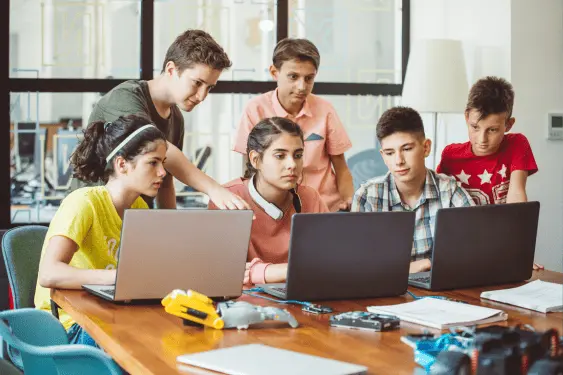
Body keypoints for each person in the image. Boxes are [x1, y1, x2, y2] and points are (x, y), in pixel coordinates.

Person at [35, 115, 167, 345]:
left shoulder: (139, 207)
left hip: (109, 314)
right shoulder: (84, 203)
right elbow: (49, 273)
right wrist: (115, 278)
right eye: (153, 162)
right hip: (69, 325)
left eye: (163, 162)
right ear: (122, 164)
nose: (163, 172)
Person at [89, 29, 248, 211]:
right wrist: (214, 189)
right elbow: (163, 151)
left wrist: (171, 225)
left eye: (209, 88)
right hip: (95, 216)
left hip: (135, 219)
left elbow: (166, 177)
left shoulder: (176, 118)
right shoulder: (125, 98)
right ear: (171, 69)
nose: (202, 96)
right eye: (197, 83)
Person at [232, 38, 353, 212]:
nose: (301, 86)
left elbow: (341, 168)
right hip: (275, 209)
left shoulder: (325, 110)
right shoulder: (255, 109)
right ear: (274, 72)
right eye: (293, 77)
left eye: (309, 78)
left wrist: (349, 201)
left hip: (324, 208)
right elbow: (249, 170)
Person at [351, 107, 474, 273]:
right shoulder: (367, 197)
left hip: (440, 290)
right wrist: (417, 266)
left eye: (407, 149)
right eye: (389, 152)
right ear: (382, 155)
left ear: (426, 148)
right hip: (385, 292)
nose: (399, 161)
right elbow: (359, 265)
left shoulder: (449, 190)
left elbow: (473, 250)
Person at [210, 117, 328, 284]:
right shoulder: (227, 199)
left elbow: (329, 262)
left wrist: (260, 272)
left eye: (298, 155)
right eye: (280, 155)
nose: (292, 164)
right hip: (243, 304)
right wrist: (287, 271)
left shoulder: (311, 198)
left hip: (302, 300)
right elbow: (223, 272)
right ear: (255, 159)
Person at [437, 76, 538, 205]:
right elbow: (439, 198)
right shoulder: (450, 155)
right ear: (467, 117)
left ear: (508, 125)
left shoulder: (517, 144)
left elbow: (517, 197)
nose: (482, 139)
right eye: (475, 127)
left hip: (504, 224)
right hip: (464, 225)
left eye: (492, 130)